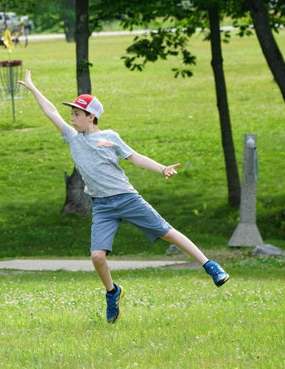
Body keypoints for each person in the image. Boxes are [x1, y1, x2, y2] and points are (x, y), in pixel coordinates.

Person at [18, 70, 229, 324]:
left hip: (126, 197)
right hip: (102, 205)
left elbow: (135, 157)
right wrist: (32, 88)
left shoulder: (110, 137)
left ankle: (210, 266)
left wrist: (162, 168)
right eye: (71, 113)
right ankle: (112, 292)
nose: (71, 118)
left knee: (167, 232)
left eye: (77, 114)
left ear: (91, 116)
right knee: (97, 257)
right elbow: (50, 111)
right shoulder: (72, 139)